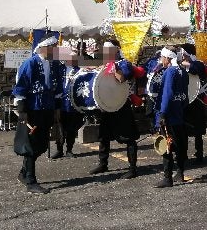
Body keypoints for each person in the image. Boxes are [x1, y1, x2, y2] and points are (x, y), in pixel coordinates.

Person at [89, 39, 145, 179]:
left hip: (121, 105)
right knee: (104, 136)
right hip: (108, 105)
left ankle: (132, 168)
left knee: (128, 137)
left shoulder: (124, 63)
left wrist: (112, 66)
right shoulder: (104, 64)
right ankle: (103, 163)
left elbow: (121, 79)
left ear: (116, 50)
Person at [12, 35, 61, 194]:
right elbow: (21, 86)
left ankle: (23, 173)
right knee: (31, 145)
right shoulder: (30, 63)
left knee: (41, 144)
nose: (56, 50)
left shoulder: (54, 64)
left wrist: (57, 109)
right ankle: (31, 181)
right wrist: (22, 111)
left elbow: (58, 88)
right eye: (53, 47)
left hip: (48, 107)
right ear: (44, 48)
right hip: (33, 109)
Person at [155, 46, 189, 188]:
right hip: (179, 112)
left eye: (162, 57)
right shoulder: (183, 71)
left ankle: (167, 178)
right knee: (180, 145)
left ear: (168, 58)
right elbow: (186, 95)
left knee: (166, 145)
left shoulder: (169, 72)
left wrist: (163, 113)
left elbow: (167, 94)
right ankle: (180, 173)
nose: (161, 60)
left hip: (169, 114)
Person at [178, 43, 207, 164]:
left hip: (197, 101)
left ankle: (199, 154)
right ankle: (183, 154)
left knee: (198, 131)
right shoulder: (179, 66)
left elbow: (196, 70)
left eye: (184, 53)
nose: (182, 55)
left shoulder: (198, 63)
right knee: (183, 130)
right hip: (185, 100)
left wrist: (186, 64)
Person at [53, 45, 85, 159]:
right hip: (60, 103)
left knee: (71, 128)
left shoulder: (79, 70)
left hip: (73, 104)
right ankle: (59, 149)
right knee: (59, 127)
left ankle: (69, 150)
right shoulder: (60, 69)